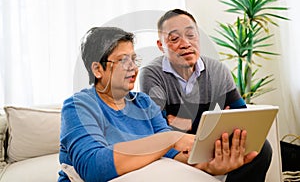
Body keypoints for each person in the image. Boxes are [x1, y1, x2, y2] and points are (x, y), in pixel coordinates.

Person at [59, 26, 257, 182]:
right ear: (98, 69)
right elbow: (94, 168)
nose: (133, 68)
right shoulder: (78, 106)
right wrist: (170, 138)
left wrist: (209, 167)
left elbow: (172, 154)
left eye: (134, 59)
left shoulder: (143, 103)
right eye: (122, 60)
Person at [139, 9, 273, 182]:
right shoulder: (151, 74)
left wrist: (186, 122)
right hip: (179, 145)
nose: (185, 43)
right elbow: (160, 129)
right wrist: (208, 120)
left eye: (190, 35)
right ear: (160, 46)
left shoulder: (218, 70)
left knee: (261, 149)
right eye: (174, 39)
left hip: (212, 139)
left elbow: (240, 114)